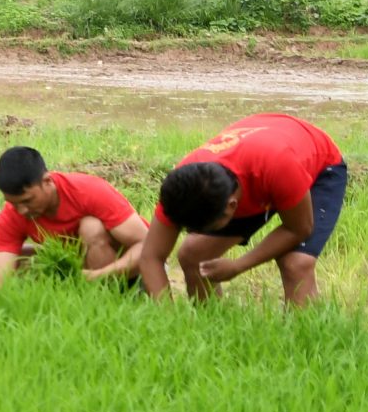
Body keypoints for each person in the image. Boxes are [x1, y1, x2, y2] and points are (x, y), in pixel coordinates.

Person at [141, 113, 348, 306]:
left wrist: (238, 265)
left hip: (318, 164)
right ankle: (210, 329)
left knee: (296, 263)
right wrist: (167, 318)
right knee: (193, 254)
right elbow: (150, 256)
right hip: (261, 158)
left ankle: (303, 341)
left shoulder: (277, 166)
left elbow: (298, 229)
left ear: (232, 207)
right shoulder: (184, 187)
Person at [0, 146, 146, 282]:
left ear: (47, 181)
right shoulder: (12, 215)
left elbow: (147, 245)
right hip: (81, 272)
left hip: (136, 268)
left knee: (91, 227)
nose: (21, 210)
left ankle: (110, 295)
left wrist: (98, 276)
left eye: (28, 200)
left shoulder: (89, 191)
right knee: (29, 262)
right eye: (13, 203)